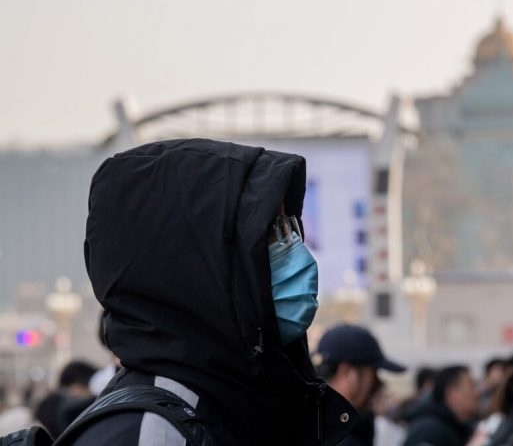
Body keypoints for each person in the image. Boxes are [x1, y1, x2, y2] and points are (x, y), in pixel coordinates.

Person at [71, 139, 358, 444]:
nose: (296, 250)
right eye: (273, 232)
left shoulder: (228, 404)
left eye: (290, 227)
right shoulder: (157, 434)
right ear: (199, 264)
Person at [316, 324, 406, 446]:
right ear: (348, 373)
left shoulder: (312, 424)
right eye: (374, 374)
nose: (378, 384)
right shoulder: (342, 438)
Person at [403, 365, 478, 446]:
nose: (477, 393)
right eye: (472, 386)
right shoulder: (429, 429)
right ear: (451, 393)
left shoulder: (458, 427)